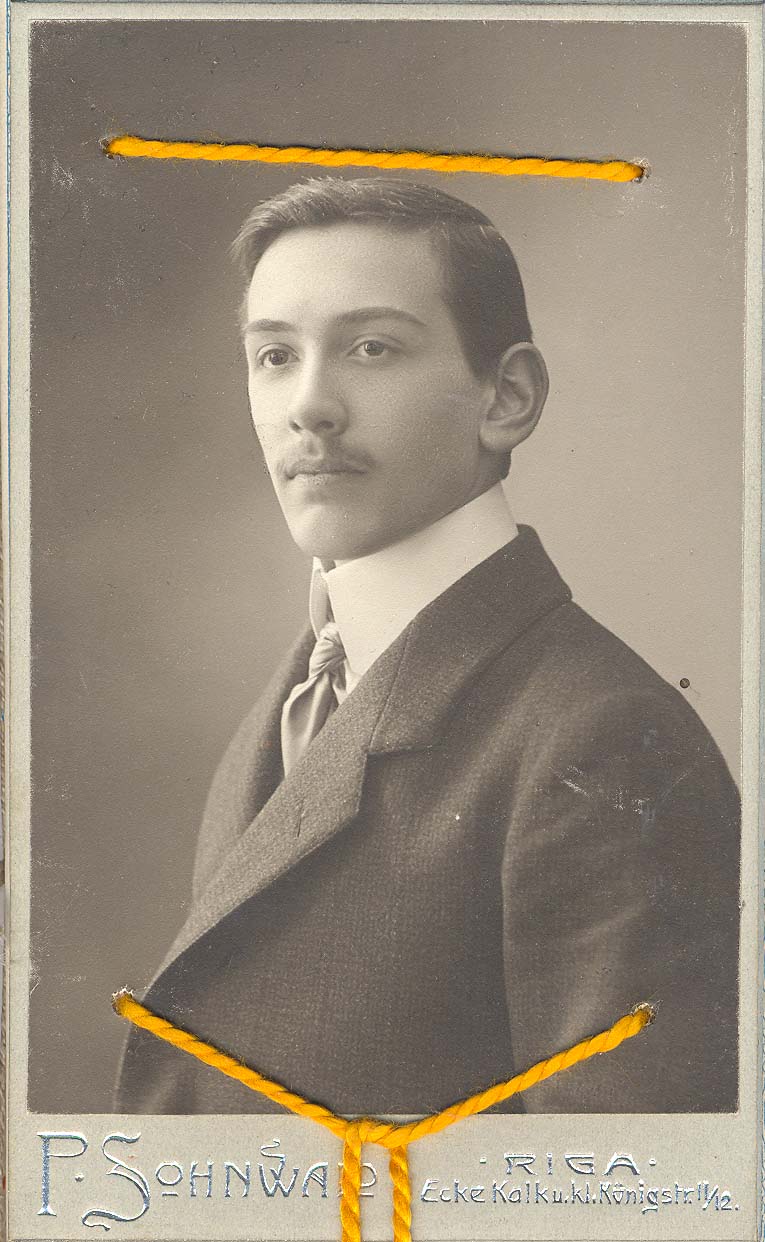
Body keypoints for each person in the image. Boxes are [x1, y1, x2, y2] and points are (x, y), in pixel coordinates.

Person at [116, 177, 740, 1116]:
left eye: (371, 348)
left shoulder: (599, 739)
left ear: (506, 397)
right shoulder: (299, 697)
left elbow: (626, 1183)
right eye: (275, 355)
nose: (309, 406)